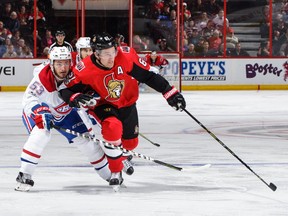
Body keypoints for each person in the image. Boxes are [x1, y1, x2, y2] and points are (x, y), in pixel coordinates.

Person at [59, 32, 186, 187]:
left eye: (113, 51)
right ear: (96, 54)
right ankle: (115, 171)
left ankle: (118, 155)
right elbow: (65, 89)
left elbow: (148, 76)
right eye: (107, 54)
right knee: (112, 128)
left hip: (127, 102)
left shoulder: (125, 57)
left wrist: (169, 92)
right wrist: (74, 97)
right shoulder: (84, 69)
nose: (112, 57)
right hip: (103, 105)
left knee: (131, 143)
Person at [15, 47, 114, 192]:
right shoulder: (42, 79)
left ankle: (111, 176)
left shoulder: (75, 75)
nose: (63, 68)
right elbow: (28, 98)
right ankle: (25, 174)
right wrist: (39, 111)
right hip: (43, 111)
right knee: (42, 133)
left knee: (88, 143)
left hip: (65, 113)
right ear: (51, 64)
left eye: (66, 63)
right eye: (59, 64)